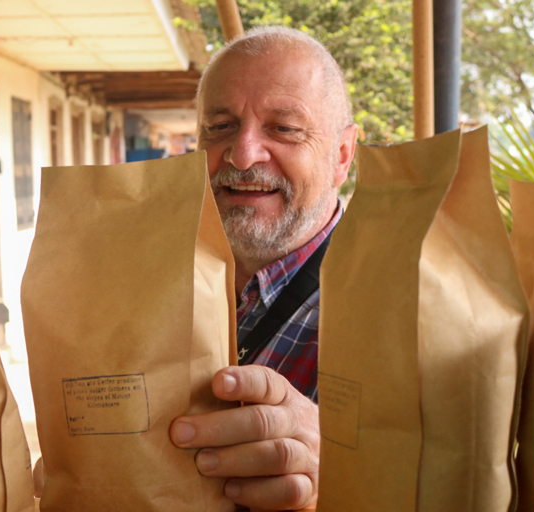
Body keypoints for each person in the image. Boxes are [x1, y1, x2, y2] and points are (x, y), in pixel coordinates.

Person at [169, 26, 359, 510]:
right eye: (220, 127)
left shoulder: (404, 304)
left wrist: (344, 473)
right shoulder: (144, 281)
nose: (242, 154)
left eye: (284, 128)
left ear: (342, 156)